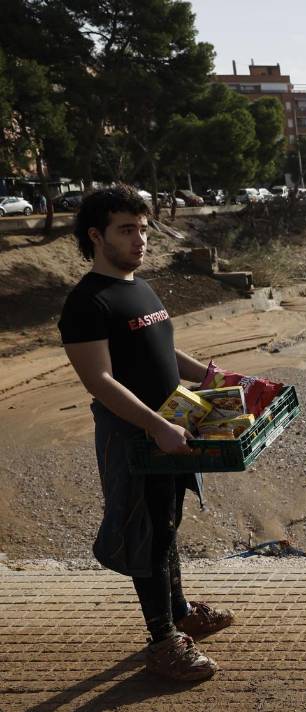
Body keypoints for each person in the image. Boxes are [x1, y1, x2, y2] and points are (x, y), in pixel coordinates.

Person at [58, 185, 234, 682]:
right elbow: (100, 380)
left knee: (167, 524)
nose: (140, 239)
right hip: (132, 434)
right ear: (96, 236)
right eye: (127, 230)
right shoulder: (87, 303)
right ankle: (163, 641)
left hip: (170, 427)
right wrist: (156, 426)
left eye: (143, 228)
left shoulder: (141, 287)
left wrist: (212, 377)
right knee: (145, 535)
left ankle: (179, 611)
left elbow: (165, 353)